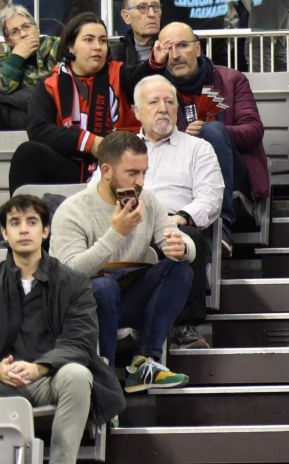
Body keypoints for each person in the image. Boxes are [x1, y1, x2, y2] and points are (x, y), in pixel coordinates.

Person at [0, 192, 120, 464]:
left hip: (50, 377)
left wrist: (40, 367)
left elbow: (81, 341)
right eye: (15, 223)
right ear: (4, 233)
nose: (23, 229)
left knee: (78, 375)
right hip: (2, 380)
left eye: (32, 222)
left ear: (46, 231)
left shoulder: (73, 283)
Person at [49, 130, 193, 392]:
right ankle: (105, 383)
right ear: (106, 171)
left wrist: (182, 247)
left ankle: (145, 362)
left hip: (130, 297)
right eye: (132, 173)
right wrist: (116, 234)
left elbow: (175, 239)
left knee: (179, 269)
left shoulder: (147, 200)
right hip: (86, 307)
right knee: (103, 288)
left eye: (144, 172)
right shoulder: (73, 211)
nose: (140, 181)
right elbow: (67, 275)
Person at [131, 23, 268, 241]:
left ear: (198, 49)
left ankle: (221, 225)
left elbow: (253, 131)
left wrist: (215, 133)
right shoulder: (158, 91)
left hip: (232, 173)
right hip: (182, 179)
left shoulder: (231, 80)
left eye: (183, 45)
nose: (175, 55)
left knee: (212, 132)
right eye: (168, 48)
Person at [124, 76, 219, 348]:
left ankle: (183, 326)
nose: (163, 108)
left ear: (178, 108)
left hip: (173, 221)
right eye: (154, 102)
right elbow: (97, 192)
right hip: (127, 224)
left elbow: (211, 197)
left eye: (169, 101)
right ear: (136, 111)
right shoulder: (121, 148)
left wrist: (181, 217)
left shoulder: (198, 148)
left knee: (188, 236)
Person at [15, 12, 133, 191]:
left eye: (103, 41)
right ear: (71, 46)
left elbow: (146, 75)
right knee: (27, 153)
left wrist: (156, 61)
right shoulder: (50, 83)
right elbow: (38, 129)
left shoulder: (122, 73)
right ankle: (23, 217)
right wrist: (90, 142)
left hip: (118, 164)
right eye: (89, 40)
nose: (98, 47)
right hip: (72, 164)